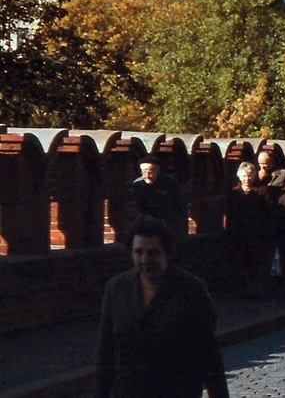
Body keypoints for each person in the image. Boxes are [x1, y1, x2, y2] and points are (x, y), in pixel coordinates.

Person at [94, 215, 229, 398]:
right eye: (138, 252)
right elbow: (105, 354)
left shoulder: (191, 290)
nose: (145, 260)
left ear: (166, 252)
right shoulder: (117, 288)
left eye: (153, 253)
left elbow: (208, 355)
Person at [226, 161, 272, 298]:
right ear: (240, 177)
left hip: (256, 233)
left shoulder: (262, 191)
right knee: (240, 261)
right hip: (238, 233)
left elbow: (267, 213)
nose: (248, 179)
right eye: (245, 176)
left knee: (256, 262)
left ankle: (256, 289)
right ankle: (241, 289)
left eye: (250, 176)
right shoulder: (233, 193)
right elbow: (229, 214)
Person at [131, 155, 187, 238]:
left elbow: (180, 205)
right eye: (144, 172)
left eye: (150, 172)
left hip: (169, 225)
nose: (147, 175)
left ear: (157, 171)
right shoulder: (137, 185)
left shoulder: (171, 184)